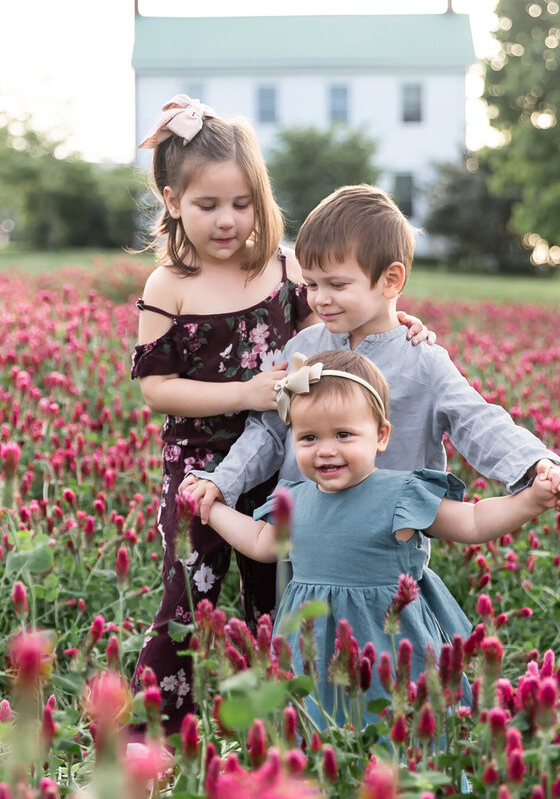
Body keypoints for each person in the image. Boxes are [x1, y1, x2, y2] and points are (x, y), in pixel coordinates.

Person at [129, 98, 431, 733]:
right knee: (189, 587)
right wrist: (245, 393)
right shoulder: (169, 284)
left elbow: (335, 323)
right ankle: (151, 731)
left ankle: (290, 716)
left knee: (280, 588)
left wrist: (394, 319)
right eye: (208, 205)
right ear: (172, 199)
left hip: (295, 450)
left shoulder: (285, 266)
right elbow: (157, 388)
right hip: (202, 463)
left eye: (242, 203)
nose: (227, 220)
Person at [183, 184, 560, 535]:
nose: (320, 298)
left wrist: (535, 465)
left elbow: (476, 420)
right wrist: (224, 482)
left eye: (337, 284)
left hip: (387, 546)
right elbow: (268, 432)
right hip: (303, 536)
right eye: (312, 284)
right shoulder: (303, 348)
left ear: (391, 280)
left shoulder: (422, 360)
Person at [206, 350, 560, 727]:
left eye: (343, 434)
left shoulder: (401, 494)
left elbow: (474, 521)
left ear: (381, 435)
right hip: (312, 649)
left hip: (391, 644)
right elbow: (262, 541)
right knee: (317, 734)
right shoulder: (294, 498)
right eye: (309, 437)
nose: (326, 449)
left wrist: (529, 500)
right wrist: (213, 508)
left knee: (400, 729)